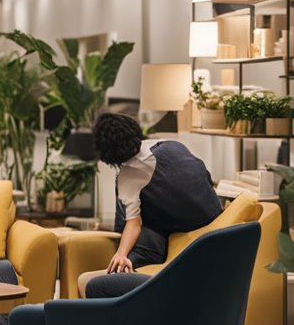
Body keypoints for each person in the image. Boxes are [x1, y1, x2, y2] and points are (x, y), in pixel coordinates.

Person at [79, 112, 222, 299]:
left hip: (175, 230)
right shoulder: (173, 145)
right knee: (133, 196)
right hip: (212, 212)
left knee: (125, 196)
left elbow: (134, 223)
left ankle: (127, 252)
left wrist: (121, 254)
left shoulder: (127, 177)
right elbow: (205, 177)